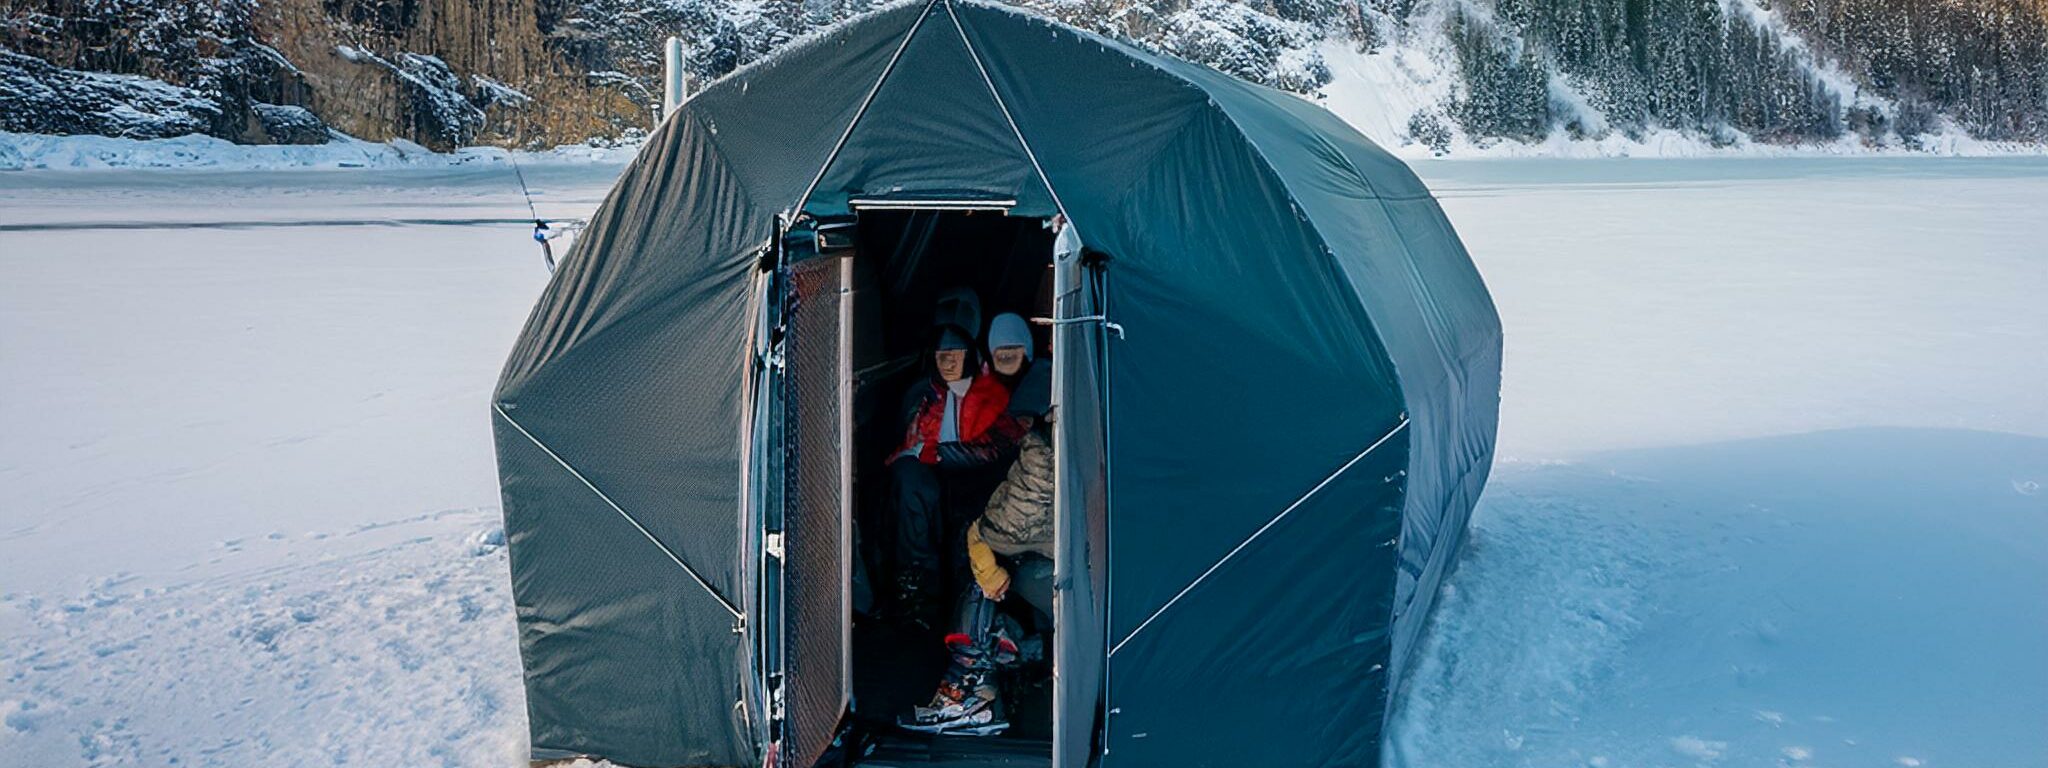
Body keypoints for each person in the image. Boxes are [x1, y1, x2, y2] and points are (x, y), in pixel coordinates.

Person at [899, 334, 1055, 737]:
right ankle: (1015, 651)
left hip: (1080, 578)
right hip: (1099, 566)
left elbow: (994, 530)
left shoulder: (1044, 454)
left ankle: (968, 694)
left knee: (980, 564)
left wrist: (981, 549)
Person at [887, 312, 1028, 618]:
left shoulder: (992, 393)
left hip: (980, 480)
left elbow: (1005, 444)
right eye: (942, 356)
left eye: (956, 355)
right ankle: (919, 587)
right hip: (932, 479)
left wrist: (949, 454)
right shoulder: (922, 395)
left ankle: (971, 609)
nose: (948, 363)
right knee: (910, 481)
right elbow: (911, 443)